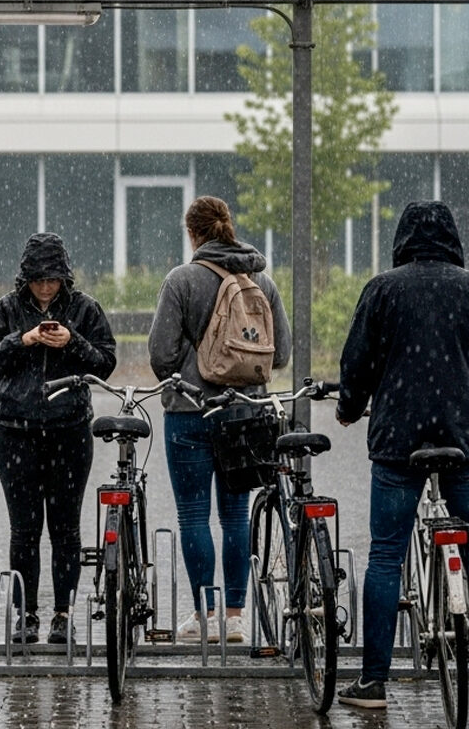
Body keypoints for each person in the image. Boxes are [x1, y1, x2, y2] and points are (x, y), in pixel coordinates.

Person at [335, 200, 469, 709]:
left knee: (385, 555)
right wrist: (466, 400)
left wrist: (350, 407)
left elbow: (356, 363)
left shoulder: (382, 289)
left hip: (400, 441)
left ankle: (373, 682)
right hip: (466, 438)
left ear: (402, 239)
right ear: (453, 239)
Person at [148, 195, 290, 644]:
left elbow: (160, 354)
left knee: (194, 515)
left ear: (193, 233)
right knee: (235, 516)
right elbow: (281, 354)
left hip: (189, 412)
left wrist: (188, 372)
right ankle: (234, 617)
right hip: (245, 415)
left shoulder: (182, 280)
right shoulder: (260, 281)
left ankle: (203, 614)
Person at [0, 232, 117, 645]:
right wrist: (23, 340)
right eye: (37, 279)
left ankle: (62, 613)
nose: (45, 287)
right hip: (15, 431)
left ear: (64, 278)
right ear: (25, 279)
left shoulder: (84, 308)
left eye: (52, 279)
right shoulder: (6, 309)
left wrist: (72, 342)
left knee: (65, 529)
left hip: (69, 430)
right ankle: (27, 615)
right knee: (24, 529)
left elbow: (105, 363)